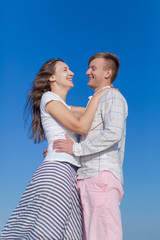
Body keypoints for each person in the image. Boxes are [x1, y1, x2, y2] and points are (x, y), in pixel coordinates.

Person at [0, 58, 109, 240]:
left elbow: (93, 114)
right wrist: (100, 95)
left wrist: (108, 96)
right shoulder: (49, 98)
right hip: (57, 172)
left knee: (68, 234)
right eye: (65, 69)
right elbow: (80, 126)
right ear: (52, 77)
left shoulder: (64, 106)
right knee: (47, 233)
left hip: (68, 174)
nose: (72, 73)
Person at [53, 52, 128, 240]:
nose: (87, 72)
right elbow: (69, 112)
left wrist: (75, 149)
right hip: (87, 177)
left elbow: (113, 133)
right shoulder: (97, 101)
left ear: (107, 73)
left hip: (100, 177)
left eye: (93, 68)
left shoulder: (112, 97)